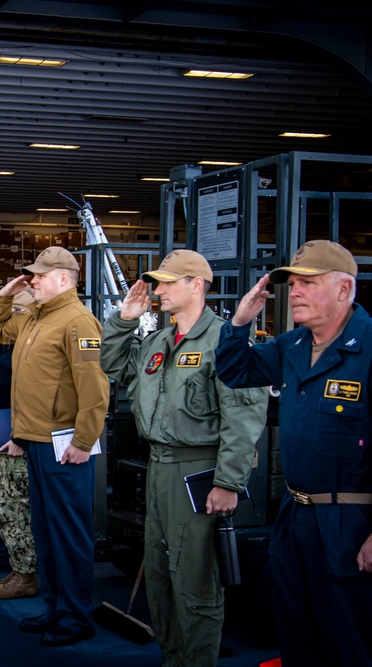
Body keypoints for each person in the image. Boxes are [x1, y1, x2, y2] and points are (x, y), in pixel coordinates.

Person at [100, 250, 268, 666]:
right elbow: (113, 364)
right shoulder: (158, 340)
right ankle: (172, 658)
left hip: (198, 471)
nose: (158, 291)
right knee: (159, 575)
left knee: (195, 583)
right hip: (159, 467)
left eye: (168, 283)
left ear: (197, 285)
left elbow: (243, 419)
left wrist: (228, 482)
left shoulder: (224, 341)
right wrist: (124, 320)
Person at [214, 240, 372, 667]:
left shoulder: (369, 348)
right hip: (295, 513)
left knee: (351, 637)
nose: (295, 291)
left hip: (351, 522)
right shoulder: (293, 345)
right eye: (293, 283)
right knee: (297, 631)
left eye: (307, 282)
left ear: (344, 290)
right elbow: (234, 371)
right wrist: (240, 323)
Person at [0, 246, 110, 647]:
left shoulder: (78, 321)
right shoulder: (37, 317)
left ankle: (76, 618)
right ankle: (56, 607)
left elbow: (95, 389)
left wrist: (83, 440)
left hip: (65, 447)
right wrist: (6, 295)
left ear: (63, 279)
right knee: (46, 533)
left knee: (70, 534)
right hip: (36, 441)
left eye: (39, 275)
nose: (33, 280)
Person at [0, 291, 40, 600]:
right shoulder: (12, 348)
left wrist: (20, 437)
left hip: (17, 442)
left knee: (15, 508)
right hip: (0, 437)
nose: (12, 315)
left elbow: (36, 398)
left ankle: (26, 574)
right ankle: (19, 567)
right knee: (3, 509)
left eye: (18, 309)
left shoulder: (31, 352)